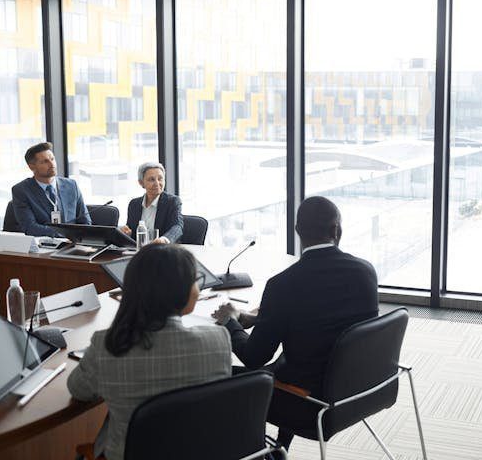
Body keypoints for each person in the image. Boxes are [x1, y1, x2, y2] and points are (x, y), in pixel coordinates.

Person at [212, 196, 379, 449]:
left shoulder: (283, 284)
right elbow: (322, 319)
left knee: (216, 378)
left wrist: (230, 321)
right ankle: (281, 448)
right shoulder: (366, 272)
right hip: (360, 390)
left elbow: (254, 356)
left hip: (309, 403)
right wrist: (263, 317)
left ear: (298, 231)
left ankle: (257, 452)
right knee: (285, 362)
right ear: (337, 231)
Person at [67, 244, 231, 460]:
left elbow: (78, 390)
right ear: (183, 291)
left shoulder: (107, 346)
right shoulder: (219, 340)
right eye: (195, 281)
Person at [10, 142, 91, 237]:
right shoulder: (21, 190)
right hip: (43, 247)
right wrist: (66, 233)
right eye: (45, 161)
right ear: (32, 167)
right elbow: (30, 227)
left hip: (73, 245)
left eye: (52, 159)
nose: (52, 164)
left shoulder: (71, 185)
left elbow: (85, 222)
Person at [121, 162, 183, 244]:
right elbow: (131, 232)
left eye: (160, 179)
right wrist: (127, 232)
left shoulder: (172, 202)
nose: (157, 183)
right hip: (140, 252)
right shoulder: (134, 204)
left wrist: (164, 239)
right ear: (141, 183)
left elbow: (177, 227)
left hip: (162, 250)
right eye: (151, 179)